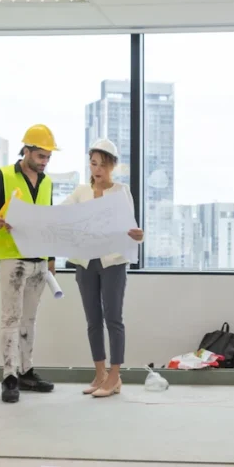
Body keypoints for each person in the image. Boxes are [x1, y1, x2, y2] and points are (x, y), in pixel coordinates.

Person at [0, 124, 60, 404]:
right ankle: (9, 377)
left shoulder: (47, 183)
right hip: (12, 258)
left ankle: (26, 372)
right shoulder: (4, 177)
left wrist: (51, 259)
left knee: (29, 320)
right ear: (27, 150)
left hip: (39, 261)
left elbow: (48, 223)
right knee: (10, 318)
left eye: (48, 157)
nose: (44, 161)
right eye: (40, 155)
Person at [62, 138, 144, 398]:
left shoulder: (121, 191)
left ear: (112, 167)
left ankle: (115, 377)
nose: (97, 169)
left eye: (103, 165)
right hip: (86, 262)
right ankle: (99, 374)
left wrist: (138, 235)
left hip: (113, 262)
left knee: (113, 319)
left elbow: (129, 228)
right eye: (93, 163)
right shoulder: (80, 192)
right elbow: (59, 216)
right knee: (93, 320)